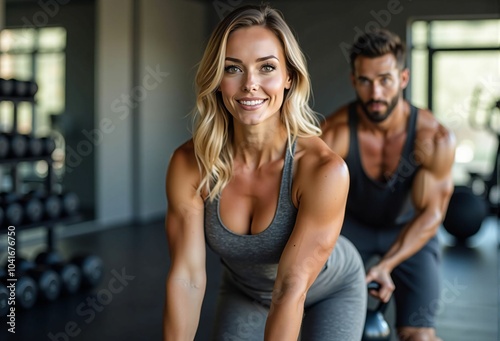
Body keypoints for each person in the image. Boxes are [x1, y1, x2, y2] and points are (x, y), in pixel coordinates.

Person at [163, 4, 367, 341]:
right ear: (216, 79)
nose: (250, 85)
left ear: (289, 77)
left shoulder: (322, 170)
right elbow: (187, 276)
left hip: (330, 290)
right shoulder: (190, 164)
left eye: (267, 67)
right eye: (233, 69)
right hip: (246, 291)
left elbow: (290, 288)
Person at [321, 28, 456, 341]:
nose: (376, 94)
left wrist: (388, 264)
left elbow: (432, 214)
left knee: (419, 333)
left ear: (403, 79)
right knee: (325, 324)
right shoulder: (333, 134)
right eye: (365, 81)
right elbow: (308, 203)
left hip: (408, 228)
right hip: (347, 229)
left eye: (385, 80)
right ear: (354, 81)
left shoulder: (433, 138)